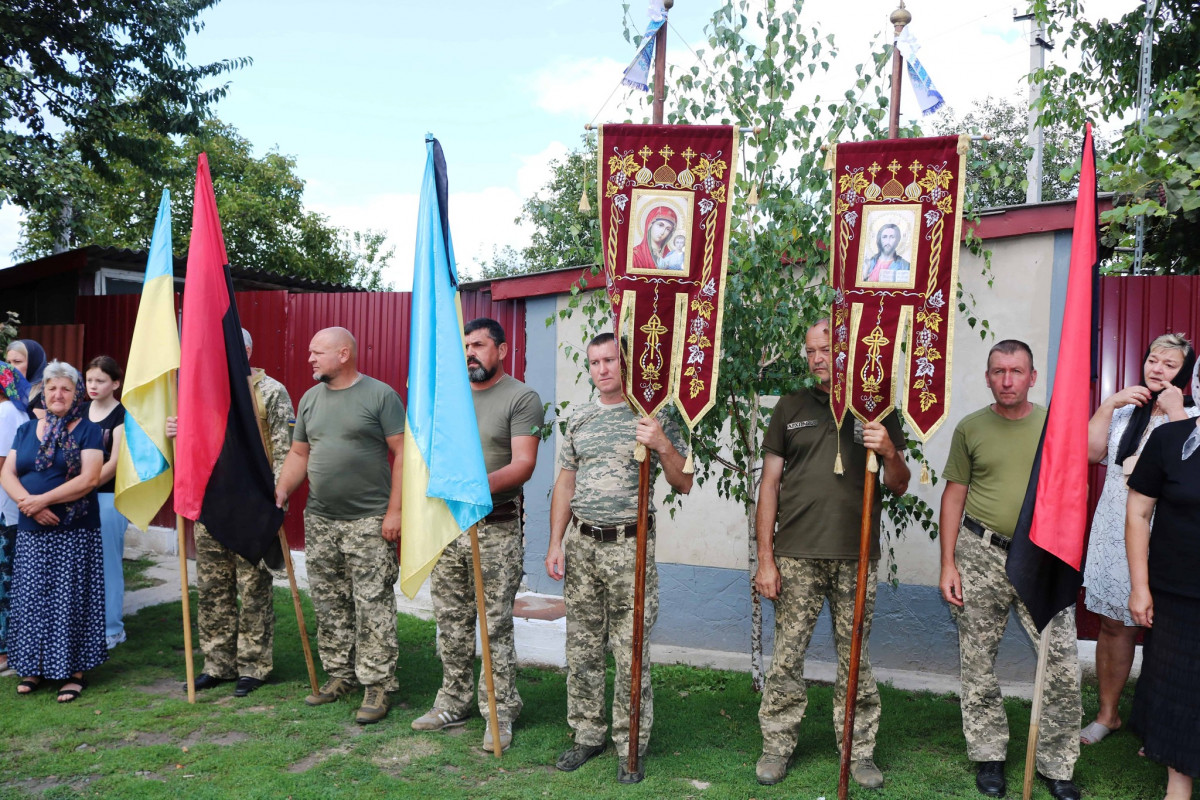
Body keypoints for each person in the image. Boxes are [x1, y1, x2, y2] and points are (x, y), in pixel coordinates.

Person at [754, 319, 910, 789]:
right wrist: (766, 557)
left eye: (826, 349)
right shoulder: (790, 407)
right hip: (797, 555)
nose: (818, 358)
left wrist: (887, 450)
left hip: (856, 557)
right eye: (811, 351)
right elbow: (770, 485)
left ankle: (859, 751)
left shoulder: (878, 409)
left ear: (846, 350)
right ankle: (776, 747)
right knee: (787, 657)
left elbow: (899, 485)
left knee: (855, 658)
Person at [544, 331, 692, 783]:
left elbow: (683, 482)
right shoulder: (581, 419)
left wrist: (662, 442)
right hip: (583, 546)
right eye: (594, 362)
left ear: (625, 364)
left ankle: (632, 742)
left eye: (610, 360)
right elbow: (566, 484)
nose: (602, 369)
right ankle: (588, 734)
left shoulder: (656, 415)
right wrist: (556, 542)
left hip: (630, 548)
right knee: (583, 646)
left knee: (630, 649)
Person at [938, 339, 1081, 800]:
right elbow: (954, 496)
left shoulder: (1054, 425)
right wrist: (947, 564)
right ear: (987, 377)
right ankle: (989, 758)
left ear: (1032, 377)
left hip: (1041, 557)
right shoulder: (970, 428)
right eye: (998, 371)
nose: (1007, 380)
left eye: (1016, 371)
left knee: (1061, 664)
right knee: (977, 661)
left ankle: (1057, 765)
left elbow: (1089, 460)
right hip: (980, 554)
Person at [413, 318, 543, 752]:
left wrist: (468, 485)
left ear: (502, 350)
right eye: (466, 345)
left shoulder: (521, 397)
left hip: (495, 527)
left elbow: (524, 464)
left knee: (494, 625)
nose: (471, 352)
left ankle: (499, 711)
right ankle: (453, 700)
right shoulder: (449, 398)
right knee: (450, 622)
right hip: (448, 526)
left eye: (480, 345)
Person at [274, 327, 405, 724]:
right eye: (310, 352)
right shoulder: (311, 399)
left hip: (368, 520)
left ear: (344, 354)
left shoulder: (380, 396)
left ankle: (379, 684)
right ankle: (340, 675)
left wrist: (395, 511)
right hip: (321, 519)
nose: (310, 359)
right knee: (330, 602)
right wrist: (279, 493)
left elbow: (403, 454)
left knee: (372, 605)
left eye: (318, 352)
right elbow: (299, 454)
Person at [1080, 333, 1196, 745]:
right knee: (1114, 625)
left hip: (1169, 536)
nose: (1157, 369)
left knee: (1170, 635)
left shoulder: (1192, 413)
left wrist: (1178, 412)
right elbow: (1090, 453)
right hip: (1115, 529)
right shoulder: (1126, 411)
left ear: (1185, 374)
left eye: (1169, 364)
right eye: (1152, 360)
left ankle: (1159, 727)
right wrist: (1109, 404)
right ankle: (1107, 715)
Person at [168, 330, 293, 696]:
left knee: (252, 589)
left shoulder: (270, 391)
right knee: (212, 589)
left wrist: (277, 500)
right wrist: (174, 430)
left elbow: (287, 450)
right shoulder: (199, 394)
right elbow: (193, 446)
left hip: (253, 506)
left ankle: (253, 666)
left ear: (247, 350)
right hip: (211, 505)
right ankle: (218, 663)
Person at [0, 361, 105, 702]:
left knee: (70, 598)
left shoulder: (87, 430)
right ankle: (32, 668)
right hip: (32, 529)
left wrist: (40, 500)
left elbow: (88, 479)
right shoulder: (27, 430)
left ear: (75, 394)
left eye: (65, 388)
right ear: (42, 393)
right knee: (31, 599)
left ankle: (73, 672)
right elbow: (8, 473)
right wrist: (28, 504)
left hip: (74, 530)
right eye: (51, 388)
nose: (57, 394)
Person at [1126, 356, 1200, 800]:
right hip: (1177, 593)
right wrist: (1140, 586)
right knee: (1179, 689)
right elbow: (1138, 511)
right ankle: (1178, 787)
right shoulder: (1171, 438)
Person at [84, 356, 129, 651]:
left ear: (115, 383)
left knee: (107, 565)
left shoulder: (122, 415)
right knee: (82, 565)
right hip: (75, 498)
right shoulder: (78, 410)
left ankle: (112, 628)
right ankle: (86, 623)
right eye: (89, 380)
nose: (93, 386)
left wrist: (81, 486)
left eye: (100, 380)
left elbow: (115, 464)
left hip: (107, 498)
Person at [0, 360, 30, 676]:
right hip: (9, 508)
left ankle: (5, 652)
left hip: (4, 509)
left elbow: (2, 465)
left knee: (3, 584)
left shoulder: (6, 413)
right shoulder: (12, 411)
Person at [5, 339, 47, 419]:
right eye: (9, 362)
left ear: (33, 363)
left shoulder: (45, 394)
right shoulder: (10, 391)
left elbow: (33, 428)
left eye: (17, 361)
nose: (10, 368)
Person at [630, 206, 678, 270]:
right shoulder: (635, 254)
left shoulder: (670, 256)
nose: (662, 232)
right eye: (660, 225)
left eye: (668, 229)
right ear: (650, 224)